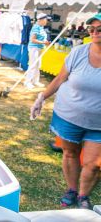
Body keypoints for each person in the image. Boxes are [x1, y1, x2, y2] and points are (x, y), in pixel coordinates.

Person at [30, 13, 101, 210]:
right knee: (70, 153)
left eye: (99, 29)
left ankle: (84, 195)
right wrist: (41, 98)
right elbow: (60, 79)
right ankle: (72, 189)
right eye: (91, 29)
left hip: (99, 123)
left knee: (94, 164)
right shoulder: (78, 53)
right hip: (69, 115)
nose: (95, 33)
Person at [24, 13, 50, 89]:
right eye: (46, 19)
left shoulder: (41, 27)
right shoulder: (36, 27)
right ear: (41, 20)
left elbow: (42, 38)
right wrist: (43, 42)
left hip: (39, 48)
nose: (47, 21)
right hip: (34, 48)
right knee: (32, 65)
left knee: (38, 65)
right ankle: (28, 82)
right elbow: (33, 39)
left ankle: (35, 81)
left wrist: (46, 42)